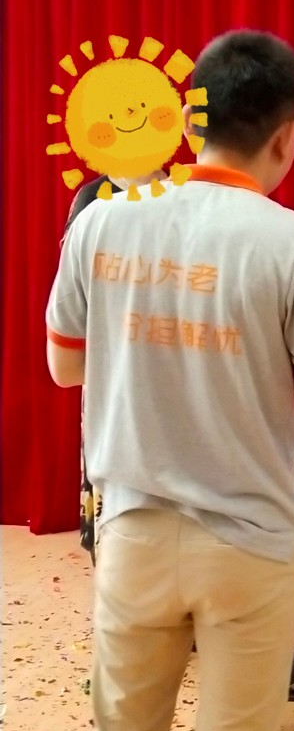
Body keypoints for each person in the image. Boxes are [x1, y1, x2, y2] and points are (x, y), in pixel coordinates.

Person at [46, 29, 294, 731]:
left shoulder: (100, 222)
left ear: (191, 120)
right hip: (250, 543)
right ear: (287, 138)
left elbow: (65, 366)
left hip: (134, 531)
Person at [61, 169, 167, 564]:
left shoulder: (183, 190)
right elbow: (73, 289)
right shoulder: (92, 198)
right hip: (112, 362)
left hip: (175, 360)